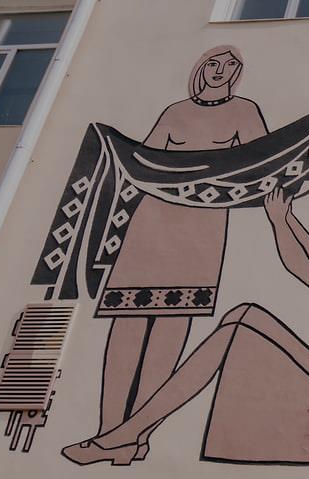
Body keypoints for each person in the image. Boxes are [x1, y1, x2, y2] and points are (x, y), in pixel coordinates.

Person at [61, 188, 309, 466]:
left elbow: (301, 266)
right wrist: (285, 215)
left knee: (236, 328)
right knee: (244, 315)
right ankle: (134, 434)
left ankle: (129, 434)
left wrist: (277, 222)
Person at [94, 46, 268, 444]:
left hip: (201, 229)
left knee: (171, 328)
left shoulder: (244, 111)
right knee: (126, 325)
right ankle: (107, 427)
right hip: (149, 225)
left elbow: (260, 163)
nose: (220, 71)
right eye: (213, 63)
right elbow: (144, 163)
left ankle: (136, 436)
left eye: (229, 65)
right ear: (200, 68)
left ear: (237, 72)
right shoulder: (175, 112)